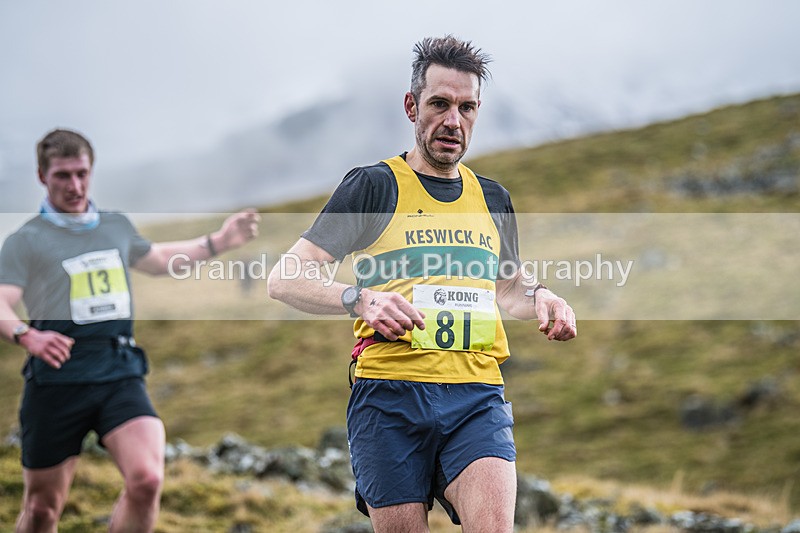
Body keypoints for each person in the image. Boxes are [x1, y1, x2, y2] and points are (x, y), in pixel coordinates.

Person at [268, 35, 576, 532]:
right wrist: (359, 299)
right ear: (412, 106)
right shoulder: (373, 185)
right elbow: (285, 278)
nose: (453, 121)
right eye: (439, 104)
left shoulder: (493, 198)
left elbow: (507, 289)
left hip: (476, 397)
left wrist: (544, 297)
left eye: (466, 107)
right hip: (388, 399)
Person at [0, 128, 260, 533]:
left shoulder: (115, 226)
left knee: (147, 480)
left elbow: (157, 259)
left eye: (82, 174)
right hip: (57, 381)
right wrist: (26, 335)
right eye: (63, 176)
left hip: (118, 372)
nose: (75, 185)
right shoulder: (26, 241)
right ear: (42, 177)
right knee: (41, 511)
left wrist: (219, 242)